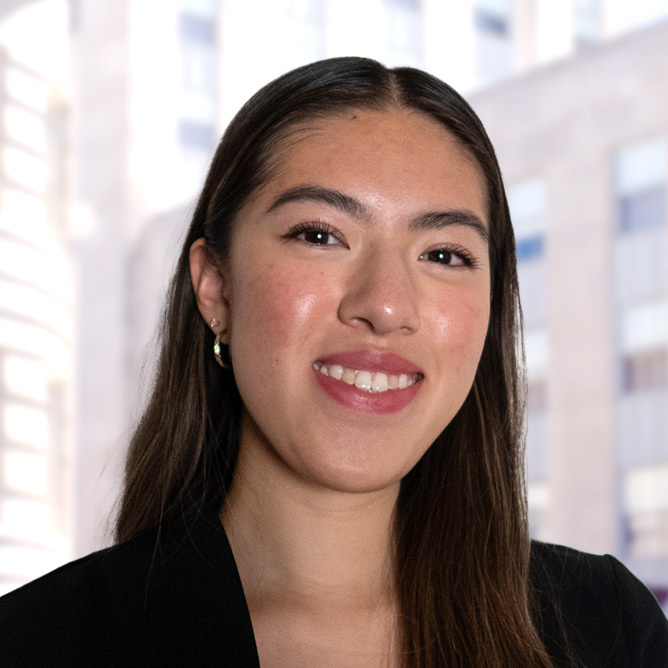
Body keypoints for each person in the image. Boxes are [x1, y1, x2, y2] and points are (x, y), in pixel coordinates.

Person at [1, 56, 667, 668]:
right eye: (320, 236)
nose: (384, 305)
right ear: (216, 287)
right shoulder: (40, 644)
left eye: (444, 254)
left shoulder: (605, 628)